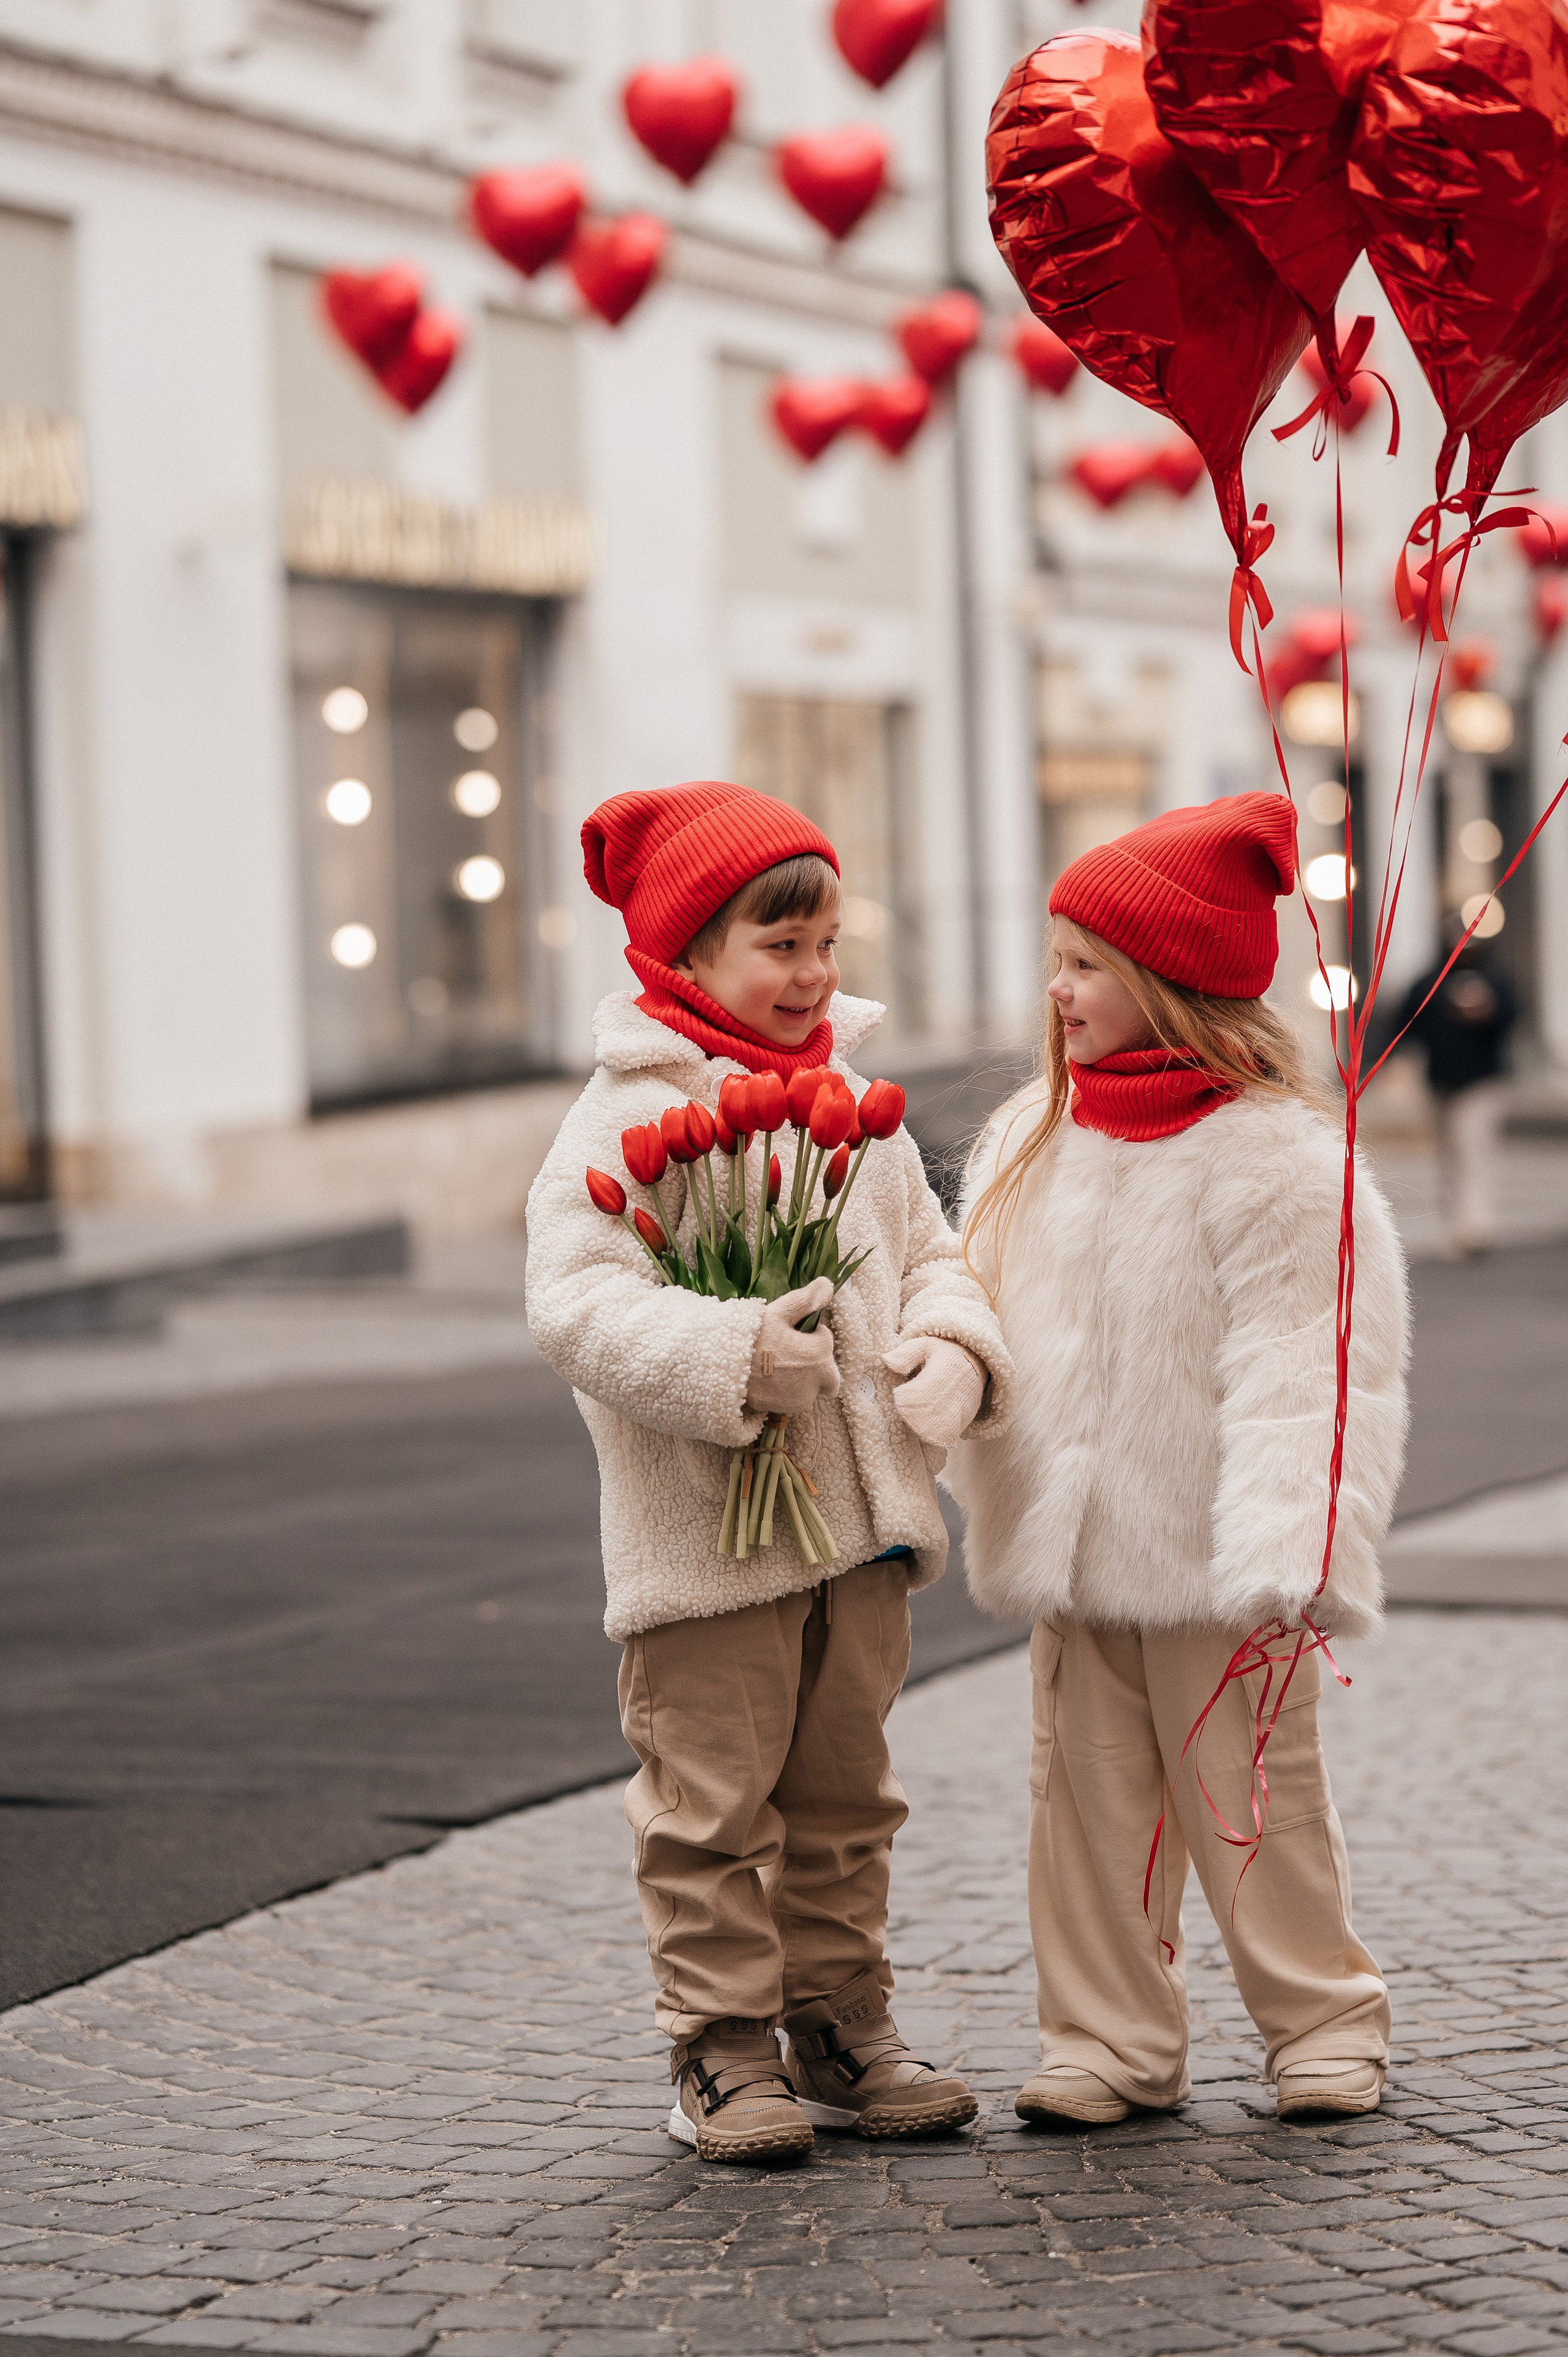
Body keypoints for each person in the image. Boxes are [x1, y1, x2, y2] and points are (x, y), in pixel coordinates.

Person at [526, 780, 1012, 2163]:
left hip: (858, 1529)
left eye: (826, 944)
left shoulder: (850, 1106)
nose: (811, 975)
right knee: (710, 1805)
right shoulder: (627, 1112)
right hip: (709, 1540)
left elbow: (931, 1257)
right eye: (778, 946)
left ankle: (843, 2024)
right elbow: (575, 1299)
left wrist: (953, 1349)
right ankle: (720, 2044)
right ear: (688, 954)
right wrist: (732, 1352)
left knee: (847, 1797)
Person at [946, 792, 1409, 2126]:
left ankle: (1321, 2020)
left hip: (1217, 1559)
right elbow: (971, 1293)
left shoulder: (1276, 1160)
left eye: (1087, 965)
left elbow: (1312, 1366)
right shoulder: (1032, 1139)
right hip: (1072, 1545)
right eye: (1056, 959)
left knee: (1253, 1805)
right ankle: (1108, 2039)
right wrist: (947, 1378)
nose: (1057, 990)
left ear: (1172, 985)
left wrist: (1289, 1545)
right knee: (1083, 1806)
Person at [1396, 924, 1518, 1258]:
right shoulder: (1429, 982)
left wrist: (1488, 1012)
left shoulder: (1494, 981)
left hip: (1482, 1082)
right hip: (1441, 1082)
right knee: (1450, 1155)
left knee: (1473, 1149)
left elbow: (1511, 1016)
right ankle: (1456, 1223)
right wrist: (1391, 1060)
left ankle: (1476, 1224)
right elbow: (1405, 1023)